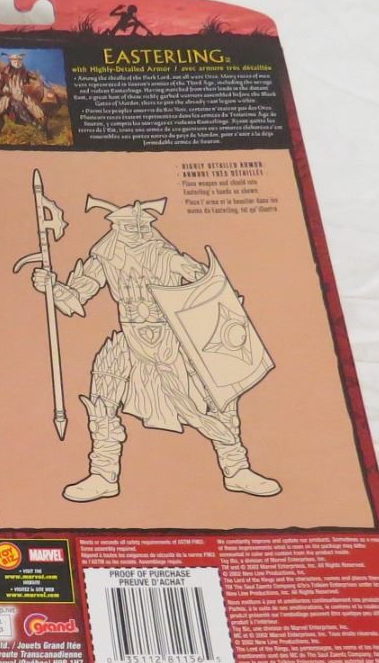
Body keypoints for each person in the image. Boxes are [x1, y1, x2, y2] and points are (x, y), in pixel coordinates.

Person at [30, 197, 279, 501]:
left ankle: (237, 470)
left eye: (139, 226)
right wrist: (52, 287)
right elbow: (75, 298)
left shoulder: (166, 255)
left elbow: (206, 285)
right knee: (103, 400)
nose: (134, 233)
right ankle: (103, 475)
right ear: (117, 228)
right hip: (130, 339)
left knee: (218, 396)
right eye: (127, 227)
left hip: (174, 339)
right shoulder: (105, 257)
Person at [0, 53, 47, 136]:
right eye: (15, 61)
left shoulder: (25, 73)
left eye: (19, 61)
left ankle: (42, 128)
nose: (17, 63)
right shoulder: (5, 73)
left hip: (22, 96)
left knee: (36, 112)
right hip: (9, 96)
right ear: (11, 62)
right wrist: (0, 90)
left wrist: (38, 78)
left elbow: (34, 81)